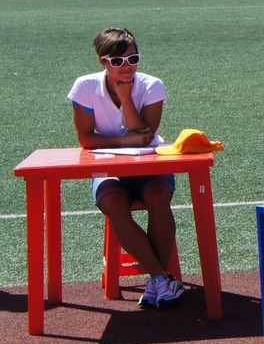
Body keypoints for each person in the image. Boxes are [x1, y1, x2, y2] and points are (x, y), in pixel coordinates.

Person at [67, 28, 185, 309]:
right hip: (109, 168)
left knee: (158, 197)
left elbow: (146, 132)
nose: (127, 66)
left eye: (133, 58)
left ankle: (158, 282)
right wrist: (125, 140)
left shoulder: (152, 85)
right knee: (112, 201)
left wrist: (126, 96)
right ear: (102, 62)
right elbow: (86, 139)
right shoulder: (84, 87)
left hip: (149, 163)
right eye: (117, 61)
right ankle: (161, 278)